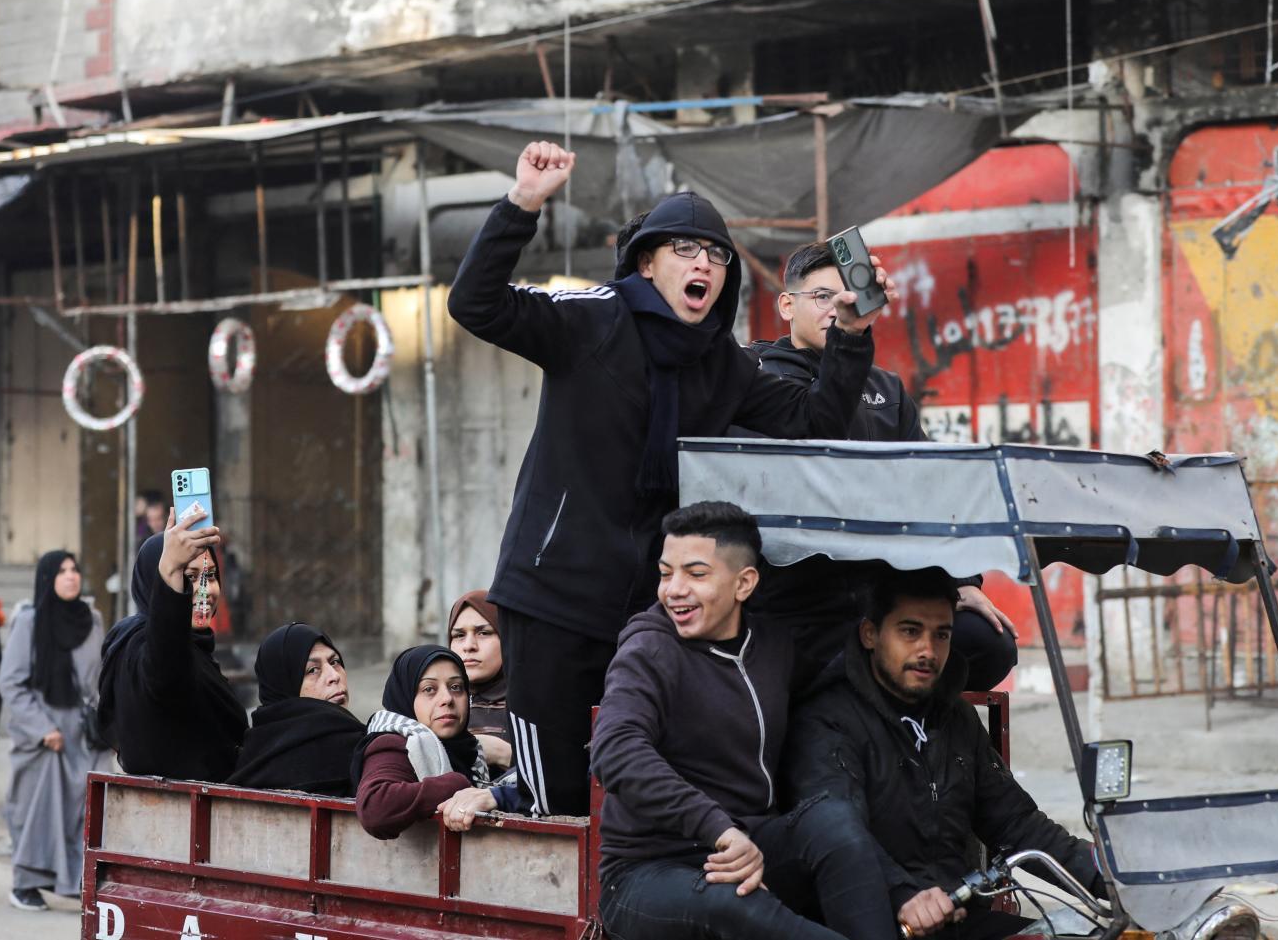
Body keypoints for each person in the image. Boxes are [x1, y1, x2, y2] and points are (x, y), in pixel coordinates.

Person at [447, 140, 900, 816]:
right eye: (685, 250)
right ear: (647, 262)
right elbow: (475, 304)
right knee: (558, 798)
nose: (704, 265)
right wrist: (524, 203)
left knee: (636, 786)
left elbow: (811, 422)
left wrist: (852, 335)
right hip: (552, 599)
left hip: (648, 611)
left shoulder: (724, 363)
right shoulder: (591, 318)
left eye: (716, 255)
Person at [590, 501, 897, 940]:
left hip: (753, 841)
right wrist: (718, 828)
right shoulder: (648, 650)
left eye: (696, 574)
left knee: (834, 825)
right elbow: (616, 749)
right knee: (739, 905)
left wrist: (956, 589)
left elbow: (861, 654)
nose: (674, 590)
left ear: (744, 583)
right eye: (665, 573)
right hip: (646, 871)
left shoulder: (774, 646)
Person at [742, 243, 1019, 691]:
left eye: (847, 295)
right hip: (800, 599)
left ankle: (927, 741)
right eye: (821, 296)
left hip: (886, 593)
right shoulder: (759, 381)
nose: (837, 307)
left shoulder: (886, 389)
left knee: (990, 644)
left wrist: (961, 582)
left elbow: (931, 487)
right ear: (786, 304)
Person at [786, 571, 1105, 940]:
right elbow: (840, 837)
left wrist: (1103, 871)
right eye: (910, 631)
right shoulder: (827, 720)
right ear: (870, 634)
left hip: (959, 917)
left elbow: (1017, 822)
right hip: (878, 921)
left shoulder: (956, 717)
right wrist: (904, 894)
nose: (927, 650)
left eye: (941, 635)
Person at [0, 551, 111, 912]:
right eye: (61, 571)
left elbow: (98, 678)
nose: (70, 576)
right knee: (38, 810)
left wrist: (104, 719)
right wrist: (42, 728)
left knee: (87, 808)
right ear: (48, 579)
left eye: (74, 569)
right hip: (44, 735)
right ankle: (27, 883)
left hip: (83, 731)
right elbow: (12, 683)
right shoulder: (30, 622)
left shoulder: (91, 620)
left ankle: (80, 881)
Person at [97, 512, 247, 782]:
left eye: (210, 576)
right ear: (157, 585)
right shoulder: (140, 646)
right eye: (188, 576)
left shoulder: (198, 652)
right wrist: (169, 572)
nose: (205, 590)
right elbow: (166, 675)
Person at [351, 645, 522, 840]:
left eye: (456, 687)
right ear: (406, 696)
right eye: (429, 689)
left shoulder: (470, 752)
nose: (447, 699)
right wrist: (456, 784)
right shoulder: (395, 744)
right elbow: (376, 809)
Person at [228, 623, 366, 796]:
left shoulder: (251, 755)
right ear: (284, 684)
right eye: (313, 670)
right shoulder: (357, 749)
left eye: (335, 662)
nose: (334, 676)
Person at [446, 591, 512, 776]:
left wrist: (504, 754)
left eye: (483, 632)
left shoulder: (531, 704)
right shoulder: (434, 700)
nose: (469, 645)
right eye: (459, 635)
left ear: (507, 639)